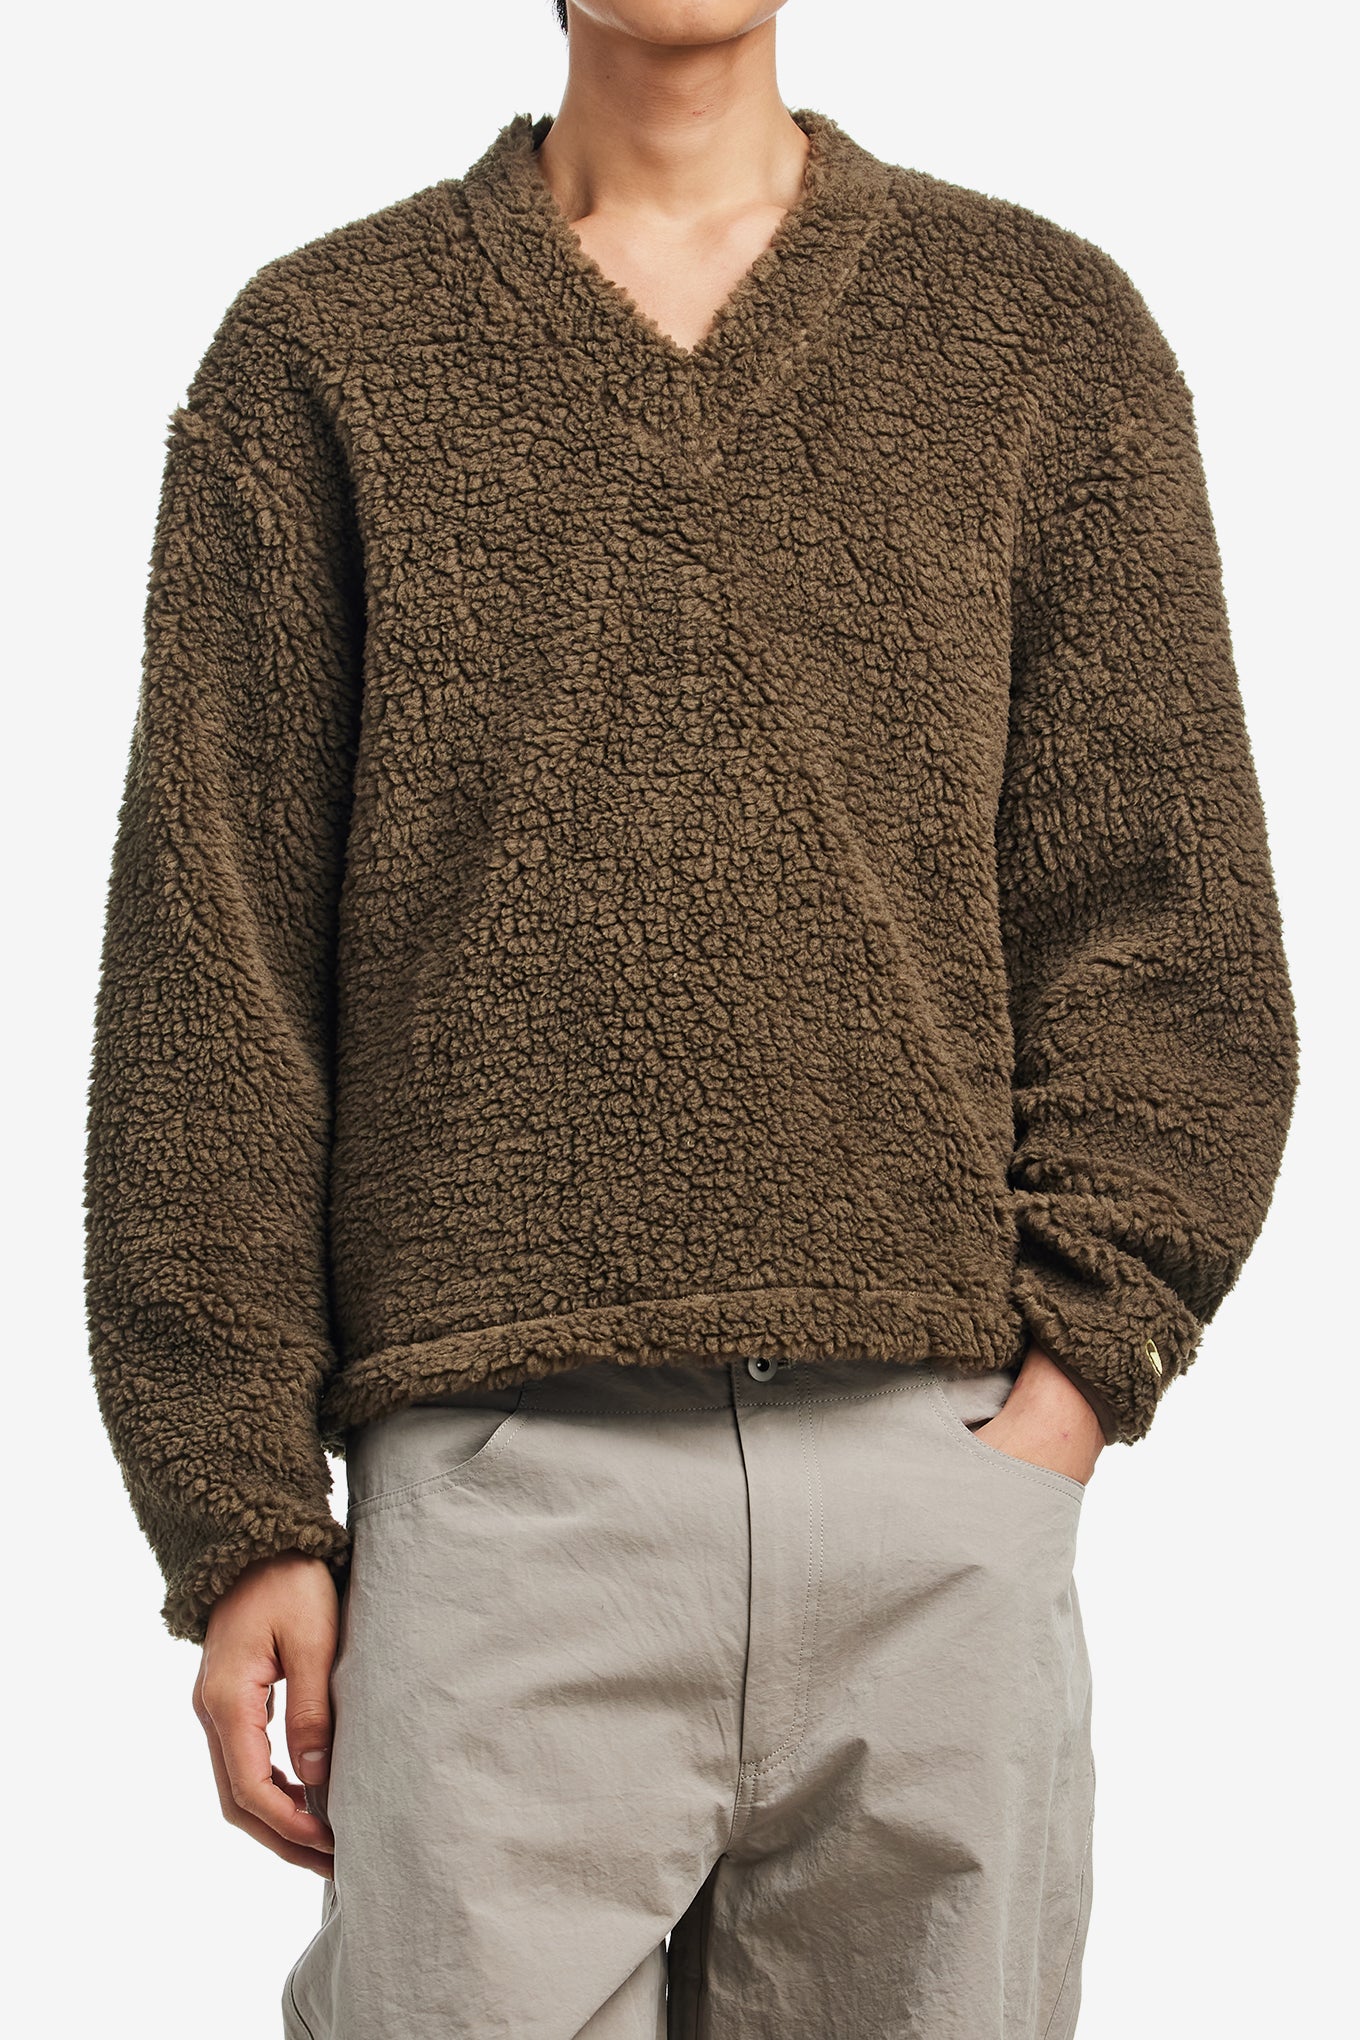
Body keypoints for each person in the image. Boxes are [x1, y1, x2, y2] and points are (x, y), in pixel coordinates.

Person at [83, 3, 1298, 2035]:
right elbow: (214, 968)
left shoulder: (1037, 332)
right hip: (493, 1493)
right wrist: (238, 1516)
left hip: (932, 1477)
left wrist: (1071, 1384)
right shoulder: (325, 351)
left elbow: (1166, 913)